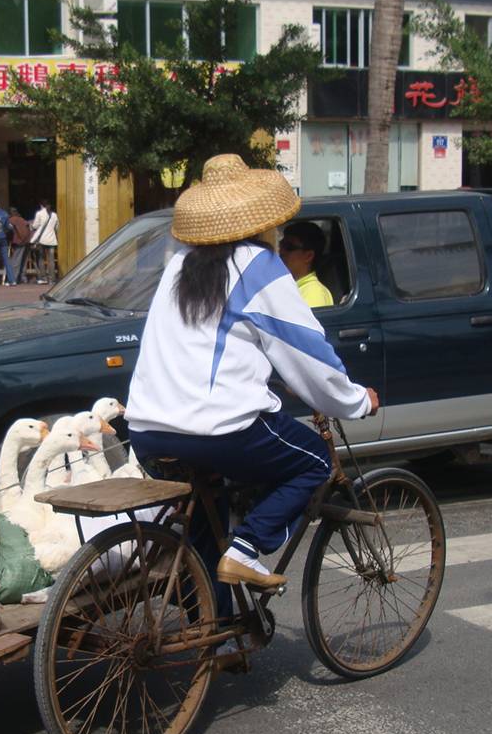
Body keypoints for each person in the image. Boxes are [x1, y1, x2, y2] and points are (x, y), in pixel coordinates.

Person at [126, 154, 378, 592]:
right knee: (314, 460)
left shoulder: (179, 265)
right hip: (218, 430)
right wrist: (355, 400)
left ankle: (214, 635)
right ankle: (246, 550)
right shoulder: (258, 266)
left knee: (205, 525)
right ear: (261, 221)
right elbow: (306, 352)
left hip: (148, 430)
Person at [279, 220, 333, 308]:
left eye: (289, 247)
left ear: (308, 256)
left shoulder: (314, 293)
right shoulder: (288, 286)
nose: (281, 251)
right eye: (281, 244)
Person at [30, 199, 59, 285]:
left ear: (41, 205)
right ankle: (52, 279)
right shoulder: (54, 215)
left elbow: (35, 225)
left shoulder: (39, 213)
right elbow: (57, 227)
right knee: (51, 260)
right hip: (52, 240)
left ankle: (43, 278)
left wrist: (31, 226)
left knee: (41, 259)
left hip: (42, 240)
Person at [7, 206, 32, 282]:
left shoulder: (11, 220)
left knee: (16, 260)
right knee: (23, 261)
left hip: (20, 241)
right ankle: (23, 277)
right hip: (27, 240)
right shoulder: (22, 219)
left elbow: (8, 230)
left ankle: (14, 278)